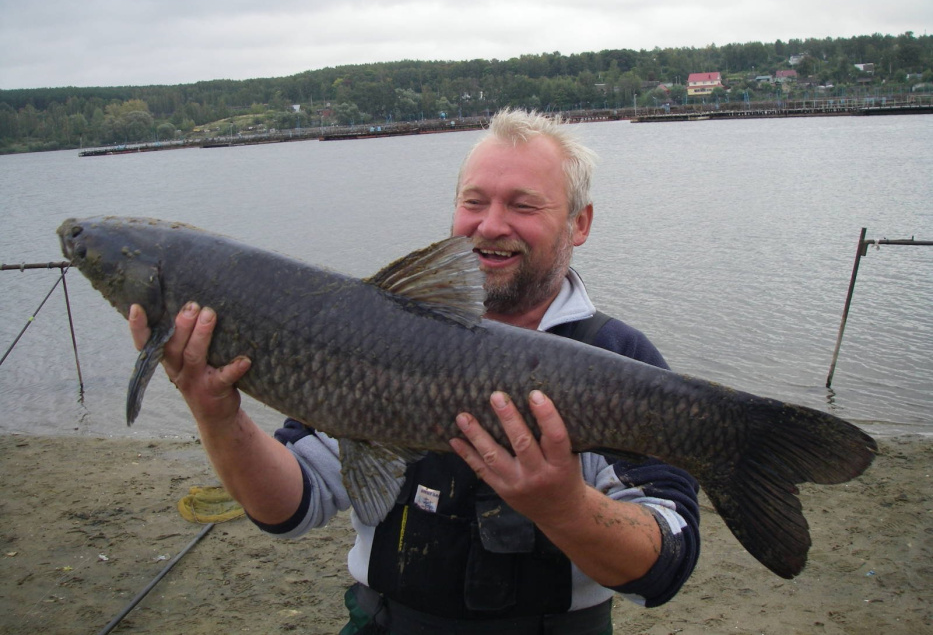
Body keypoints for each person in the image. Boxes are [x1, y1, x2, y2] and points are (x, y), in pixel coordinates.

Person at [129, 108, 700, 634]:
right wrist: (214, 411)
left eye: (523, 206)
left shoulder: (621, 359)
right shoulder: (368, 332)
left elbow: (666, 563)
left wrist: (565, 508)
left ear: (579, 223)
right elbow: (289, 507)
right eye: (474, 202)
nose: (490, 225)